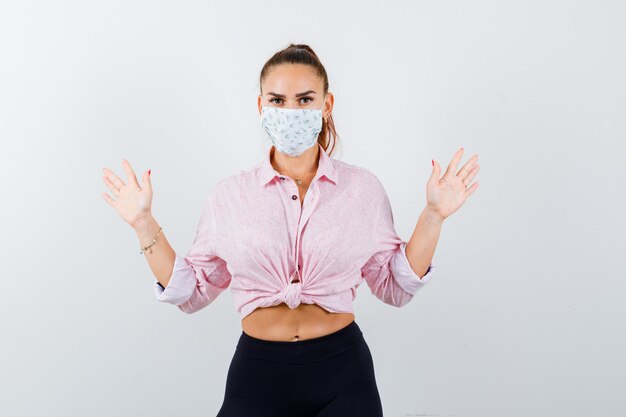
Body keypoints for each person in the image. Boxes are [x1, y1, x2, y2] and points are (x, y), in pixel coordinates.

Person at [101, 43, 480, 417]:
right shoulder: (230, 196)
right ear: (261, 106)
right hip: (257, 375)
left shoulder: (362, 190)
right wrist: (142, 222)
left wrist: (433, 215)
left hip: (343, 374)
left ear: (326, 106)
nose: (290, 111)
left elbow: (394, 288)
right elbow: (193, 292)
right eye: (278, 100)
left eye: (304, 99)